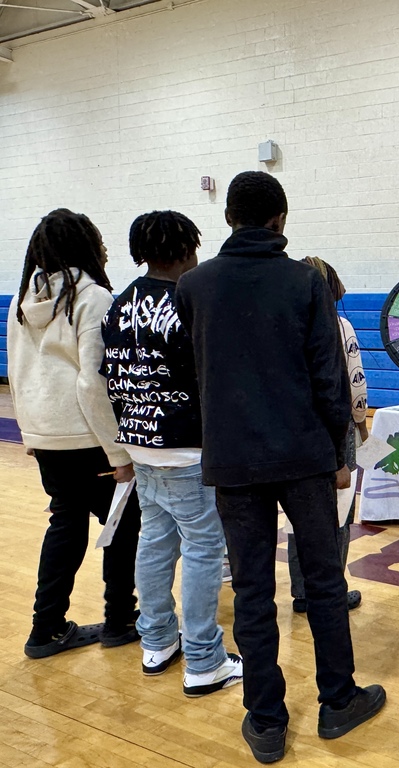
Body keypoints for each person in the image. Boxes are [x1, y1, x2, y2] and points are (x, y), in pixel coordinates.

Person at [175, 171, 385, 764]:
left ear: (227, 219)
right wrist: (339, 452)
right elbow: (330, 378)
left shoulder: (194, 286)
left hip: (234, 459)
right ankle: (337, 701)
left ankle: (265, 720)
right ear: (281, 221)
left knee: (251, 590)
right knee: (323, 584)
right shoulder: (304, 282)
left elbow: (195, 377)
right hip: (303, 457)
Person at [101, 210, 242, 696]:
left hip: (140, 446)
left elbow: (105, 376)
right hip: (188, 450)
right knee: (204, 550)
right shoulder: (189, 302)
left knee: (154, 542)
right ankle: (204, 660)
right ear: (185, 250)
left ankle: (157, 641)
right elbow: (213, 376)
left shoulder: (117, 305)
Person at [8, 208, 142, 659]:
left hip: (49, 436)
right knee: (123, 526)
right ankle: (120, 619)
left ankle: (46, 628)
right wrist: (118, 451)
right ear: (85, 245)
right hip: (88, 439)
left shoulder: (21, 298)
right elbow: (93, 383)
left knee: (65, 522)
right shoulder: (93, 296)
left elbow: (20, 373)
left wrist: (33, 432)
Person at [287, 256, 368, 614]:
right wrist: (362, 426)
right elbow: (355, 384)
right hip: (335, 433)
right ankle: (331, 591)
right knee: (339, 513)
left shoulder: (286, 323)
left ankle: (303, 591)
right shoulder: (340, 325)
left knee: (297, 515)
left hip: (295, 433)